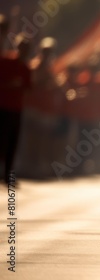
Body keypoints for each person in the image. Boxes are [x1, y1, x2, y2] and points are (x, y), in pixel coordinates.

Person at [0, 33, 32, 185]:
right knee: (2, 140)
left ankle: (8, 175)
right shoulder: (6, 61)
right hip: (3, 107)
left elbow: (28, 88)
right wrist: (9, 85)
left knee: (13, 143)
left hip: (17, 109)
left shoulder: (26, 68)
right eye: (23, 47)